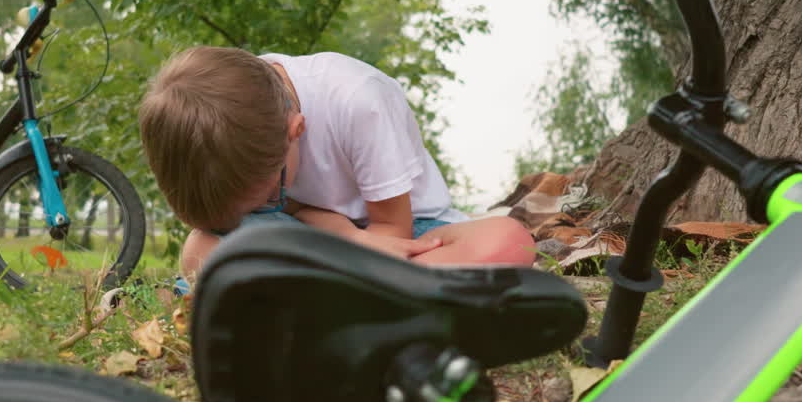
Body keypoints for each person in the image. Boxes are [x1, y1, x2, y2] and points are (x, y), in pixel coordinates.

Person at [138, 46, 538, 281]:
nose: (268, 204)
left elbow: (391, 230)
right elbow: (289, 210)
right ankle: (367, 296)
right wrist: (341, 235)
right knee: (199, 248)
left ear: (296, 130)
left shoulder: (359, 100)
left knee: (509, 239)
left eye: (269, 195)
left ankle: (312, 296)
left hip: (403, 231)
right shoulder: (231, 116)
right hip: (318, 241)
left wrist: (349, 241)